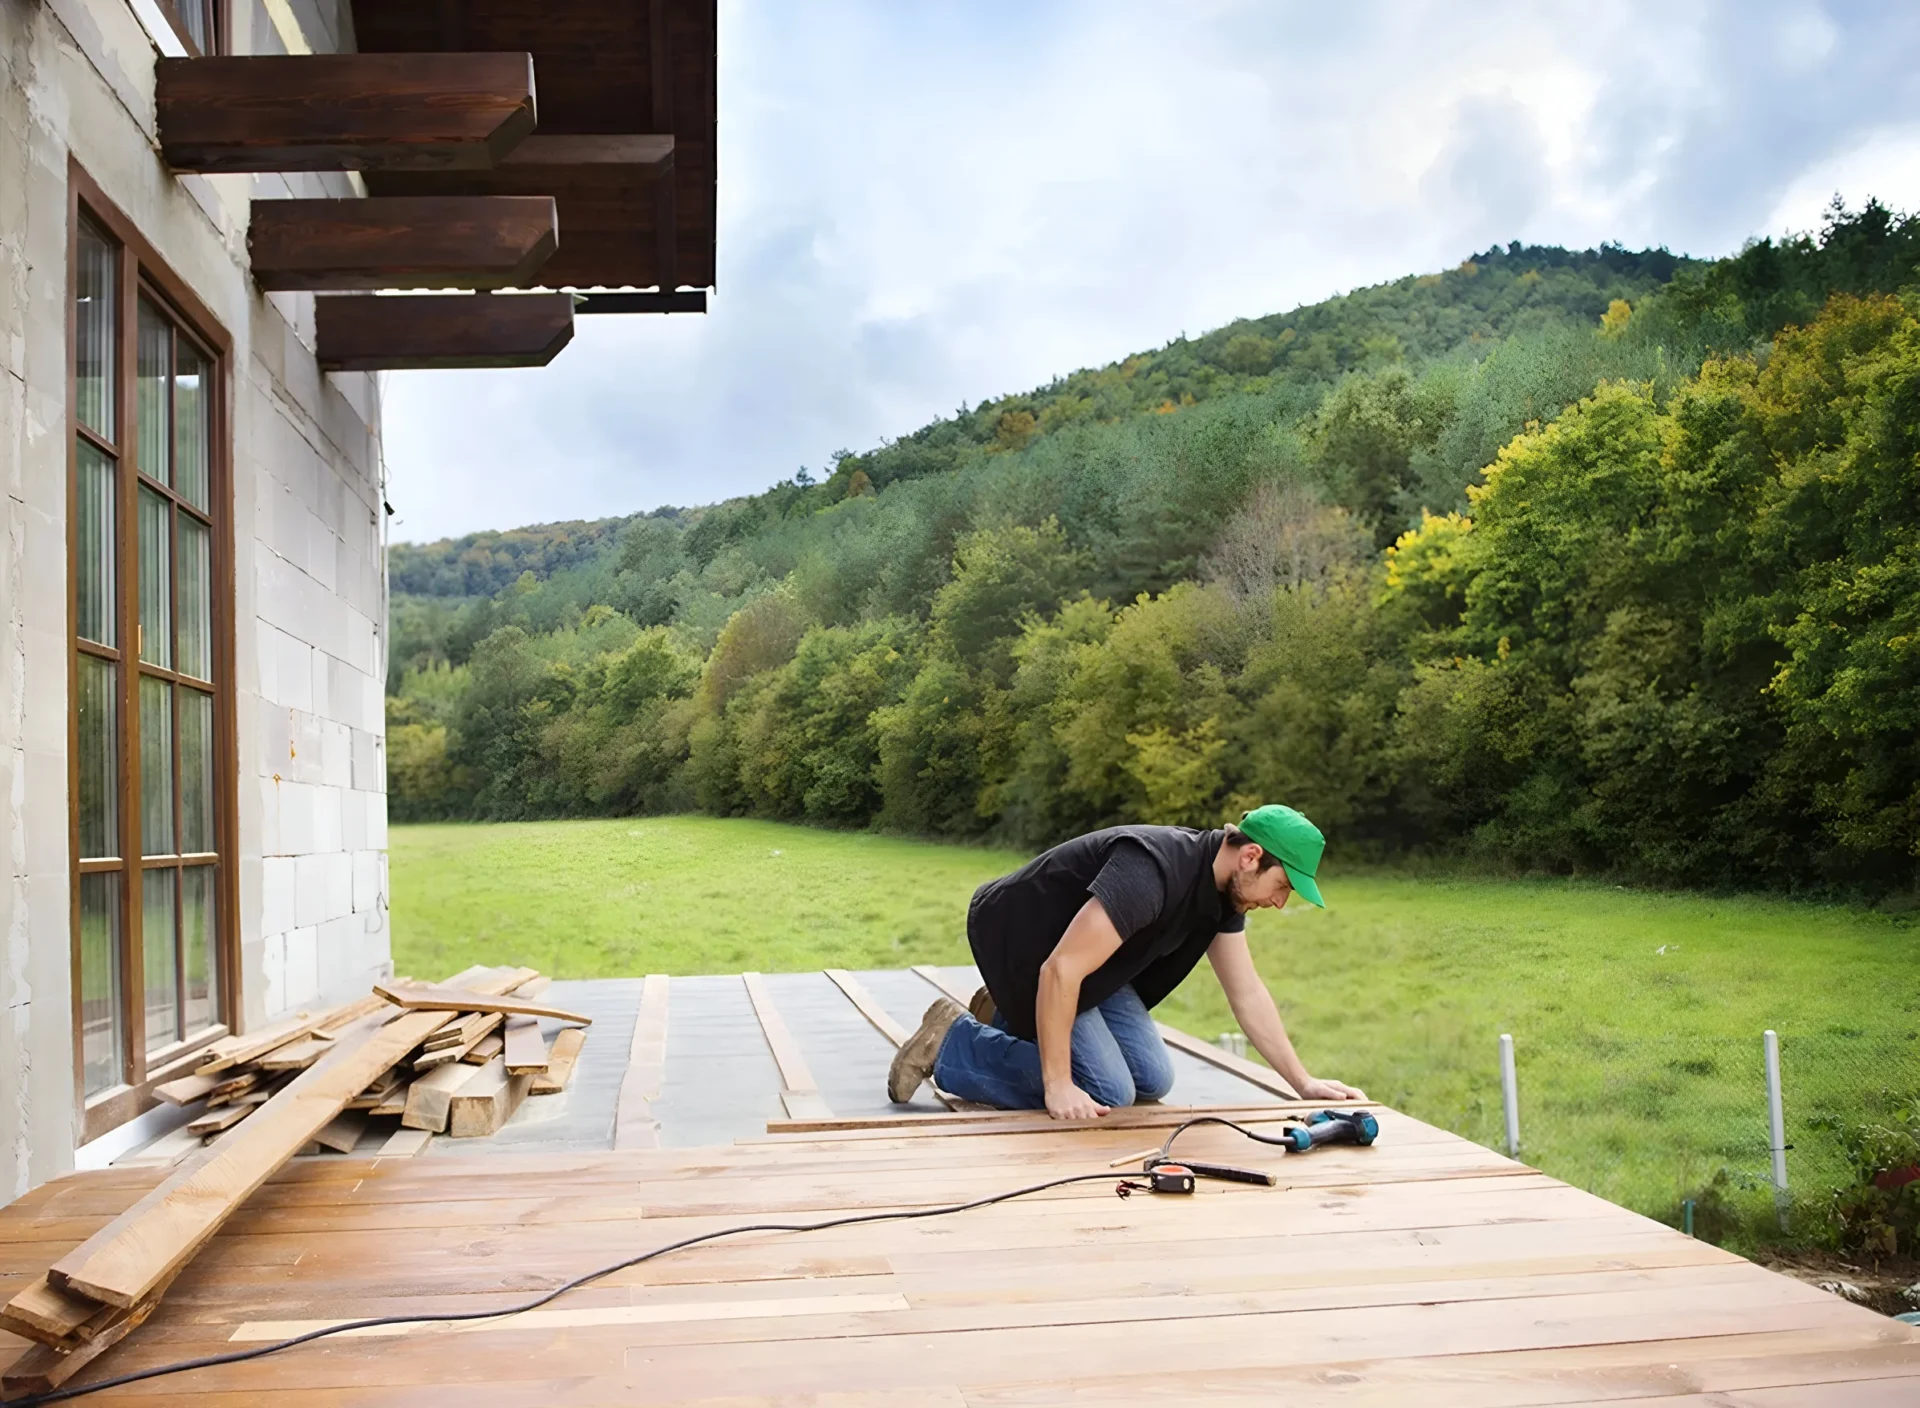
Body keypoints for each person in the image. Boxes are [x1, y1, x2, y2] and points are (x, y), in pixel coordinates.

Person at [887, 804, 1367, 1118]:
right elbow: (1060, 969)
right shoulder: (1153, 871)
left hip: (1092, 964)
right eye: (1282, 886)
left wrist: (1303, 1083)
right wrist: (1056, 1085)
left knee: (1153, 1079)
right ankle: (953, 1042)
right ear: (1251, 857)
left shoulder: (1223, 897)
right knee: (1108, 1090)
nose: (1280, 903)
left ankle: (1012, 1017)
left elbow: (1247, 993)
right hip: (1028, 944)